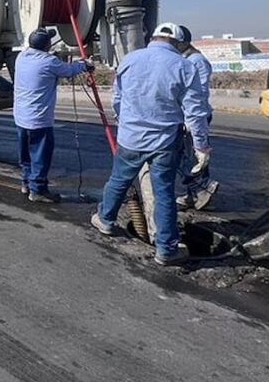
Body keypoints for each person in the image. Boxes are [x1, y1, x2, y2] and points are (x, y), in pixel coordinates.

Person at [90, 22, 210, 265]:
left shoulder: (129, 60)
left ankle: (105, 220)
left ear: (153, 38)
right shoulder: (185, 66)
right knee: (163, 192)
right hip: (164, 143)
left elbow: (117, 99)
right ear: (177, 43)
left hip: (130, 138)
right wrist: (201, 146)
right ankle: (166, 250)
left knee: (118, 180)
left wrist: (124, 121)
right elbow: (195, 112)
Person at [13, 27, 92, 203]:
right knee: (40, 156)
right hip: (38, 120)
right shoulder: (49, 61)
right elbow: (69, 70)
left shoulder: (22, 57)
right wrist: (84, 64)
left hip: (20, 117)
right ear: (47, 45)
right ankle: (38, 190)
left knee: (25, 155)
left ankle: (26, 183)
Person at [176, 25, 217, 210]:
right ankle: (193, 193)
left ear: (184, 43)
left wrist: (191, 122)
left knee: (195, 157)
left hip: (194, 117)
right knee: (187, 156)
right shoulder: (184, 59)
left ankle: (202, 191)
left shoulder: (196, 60)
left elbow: (197, 95)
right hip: (187, 116)